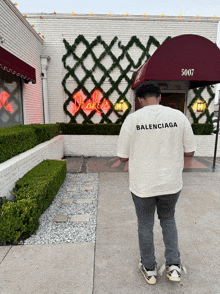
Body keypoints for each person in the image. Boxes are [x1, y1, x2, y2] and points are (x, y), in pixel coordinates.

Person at [116, 82, 196, 285]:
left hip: (142, 184)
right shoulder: (178, 117)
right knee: (168, 220)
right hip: (171, 183)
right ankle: (174, 266)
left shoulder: (133, 120)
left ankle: (150, 269)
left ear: (140, 100)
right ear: (159, 97)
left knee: (145, 225)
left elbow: (122, 157)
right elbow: (190, 152)